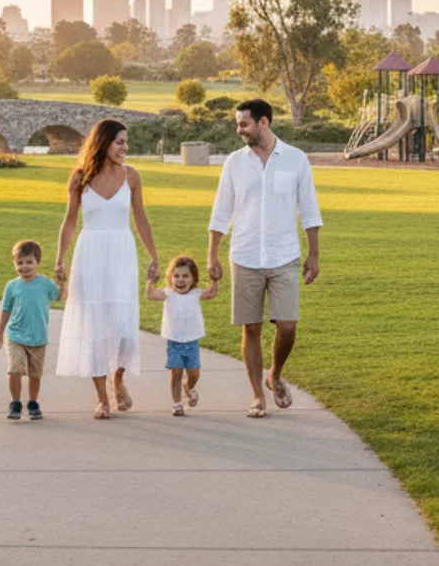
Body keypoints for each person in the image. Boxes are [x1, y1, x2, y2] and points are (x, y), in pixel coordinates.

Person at [207, 99, 322, 418]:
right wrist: (212, 255)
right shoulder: (234, 162)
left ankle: (275, 374)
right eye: (238, 124)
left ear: (263, 123)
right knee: (252, 329)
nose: (238, 129)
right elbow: (221, 210)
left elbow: (310, 209)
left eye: (243, 124)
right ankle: (258, 395)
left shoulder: (295, 160)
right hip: (244, 255)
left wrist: (314, 254)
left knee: (287, 325)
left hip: (284, 255)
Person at [54, 118, 161, 420]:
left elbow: (140, 218)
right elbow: (70, 221)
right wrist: (60, 259)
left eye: (126, 142)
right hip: (90, 254)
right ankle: (102, 398)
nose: (125, 148)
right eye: (119, 142)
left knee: (124, 325)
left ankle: (118, 378)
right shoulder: (80, 177)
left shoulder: (132, 176)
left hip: (122, 253)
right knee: (95, 326)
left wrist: (153, 256)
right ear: (103, 143)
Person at [0, 239, 61, 421]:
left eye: (29, 262)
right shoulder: (12, 286)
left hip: (38, 337)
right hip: (15, 335)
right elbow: (5, 309)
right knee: (14, 369)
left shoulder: (45, 284)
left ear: (38, 263)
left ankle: (33, 402)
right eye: (20, 263)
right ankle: (15, 402)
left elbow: (61, 295)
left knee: (35, 374)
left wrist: (62, 280)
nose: (24, 267)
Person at [145, 256, 217, 416]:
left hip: (192, 342)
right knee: (175, 372)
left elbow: (212, 294)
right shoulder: (168, 294)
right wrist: (151, 281)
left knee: (194, 373)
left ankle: (188, 387)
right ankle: (177, 403)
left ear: (194, 279)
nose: (181, 280)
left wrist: (214, 280)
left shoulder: (196, 294)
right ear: (170, 278)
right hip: (174, 342)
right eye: (176, 276)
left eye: (186, 276)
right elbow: (150, 295)